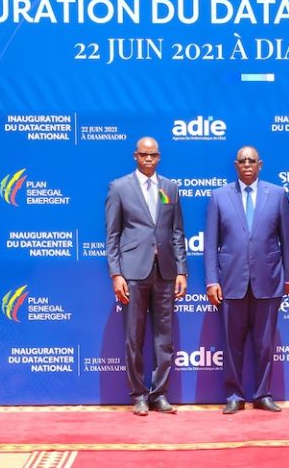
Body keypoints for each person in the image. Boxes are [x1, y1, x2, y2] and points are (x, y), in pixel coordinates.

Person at [204, 146, 289, 414]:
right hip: (231, 283)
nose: (247, 165)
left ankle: (263, 394)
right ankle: (234, 395)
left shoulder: (277, 194)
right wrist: (212, 280)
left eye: (251, 161)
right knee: (232, 345)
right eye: (242, 161)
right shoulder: (219, 196)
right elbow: (210, 244)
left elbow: (287, 241)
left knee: (265, 345)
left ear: (260, 165)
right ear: (235, 165)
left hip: (269, 282)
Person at [105, 136, 187, 416]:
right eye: (143, 155)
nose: (148, 159)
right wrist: (116, 274)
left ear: (159, 157)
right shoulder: (119, 188)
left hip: (165, 272)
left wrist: (182, 270)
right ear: (135, 156)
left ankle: (160, 393)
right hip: (133, 273)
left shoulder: (170, 188)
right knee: (134, 338)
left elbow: (177, 232)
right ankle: (139, 394)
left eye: (153, 155)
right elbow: (112, 235)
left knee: (165, 338)